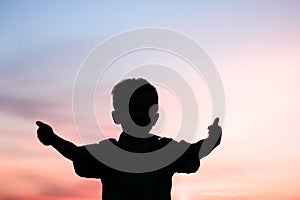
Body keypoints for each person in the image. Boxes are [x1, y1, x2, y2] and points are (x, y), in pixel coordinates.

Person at [36, 78, 222, 200]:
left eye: (145, 108)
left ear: (155, 116)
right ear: (117, 116)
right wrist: (53, 139)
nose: (139, 114)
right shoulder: (109, 152)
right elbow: (77, 154)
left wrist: (213, 138)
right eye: (133, 108)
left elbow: (195, 151)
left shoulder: (165, 150)